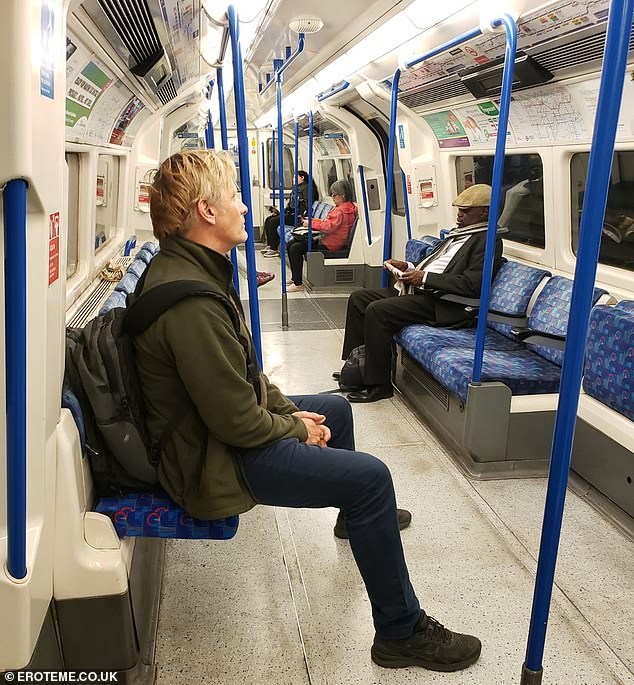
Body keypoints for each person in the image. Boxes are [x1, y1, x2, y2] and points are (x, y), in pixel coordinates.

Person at [136, 150, 481, 673]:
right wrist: (294, 428)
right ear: (206, 211)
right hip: (210, 456)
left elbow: (245, 379)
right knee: (370, 479)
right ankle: (401, 633)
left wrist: (292, 416)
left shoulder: (193, 272)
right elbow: (237, 423)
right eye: (233, 196)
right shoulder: (191, 303)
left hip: (210, 429)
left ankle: (354, 522)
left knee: (335, 411)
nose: (244, 208)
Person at [340, 183, 504, 403]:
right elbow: (437, 264)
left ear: (484, 213)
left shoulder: (488, 240)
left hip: (446, 303)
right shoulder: (459, 234)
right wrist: (408, 266)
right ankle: (355, 368)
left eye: (465, 211)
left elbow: (473, 284)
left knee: (378, 311)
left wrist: (424, 279)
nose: (459, 215)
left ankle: (379, 385)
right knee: (359, 298)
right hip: (426, 293)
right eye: (459, 210)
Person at [286, 180, 358, 293]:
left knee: (295, 248)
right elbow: (327, 222)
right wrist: (312, 220)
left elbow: (328, 227)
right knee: (292, 244)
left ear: (342, 195)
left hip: (330, 244)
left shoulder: (340, 211)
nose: (332, 198)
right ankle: (295, 278)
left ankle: (298, 283)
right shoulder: (346, 208)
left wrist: (310, 224)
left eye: (334, 195)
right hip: (330, 240)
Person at [262, 170, 318, 257]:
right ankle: (270, 245)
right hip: (291, 213)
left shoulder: (306, 188)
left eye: (295, 177)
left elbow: (307, 204)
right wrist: (281, 212)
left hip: (297, 216)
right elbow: (291, 204)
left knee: (273, 222)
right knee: (269, 219)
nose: (293, 179)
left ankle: (274, 249)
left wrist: (302, 215)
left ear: (302, 178)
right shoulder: (296, 188)